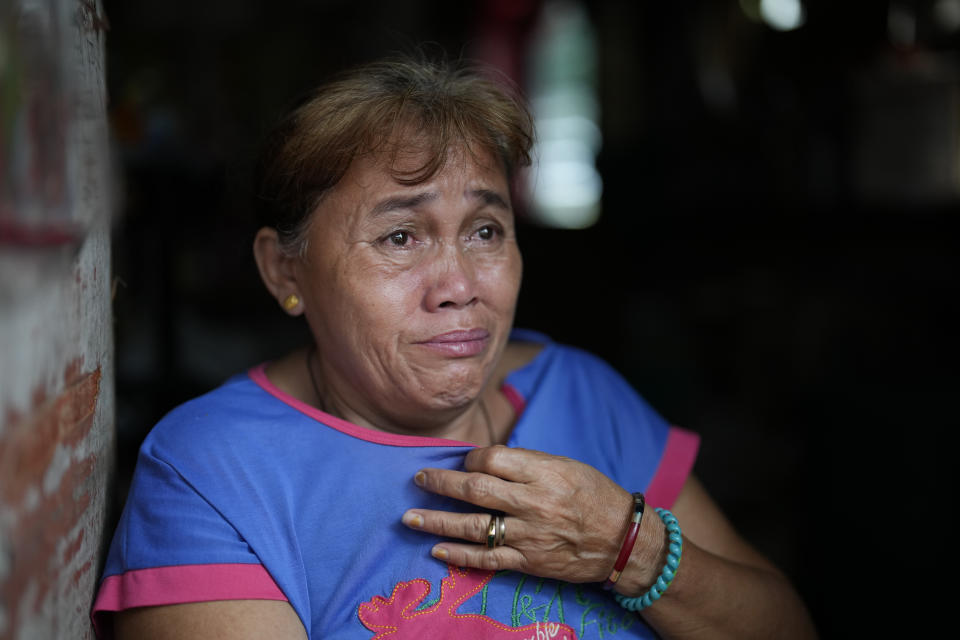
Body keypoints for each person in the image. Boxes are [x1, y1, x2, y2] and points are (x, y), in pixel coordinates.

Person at [91, 55, 817, 639]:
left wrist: (631, 548)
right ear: (286, 270)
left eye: (485, 231)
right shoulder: (213, 473)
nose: (461, 286)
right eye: (401, 237)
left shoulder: (578, 394)